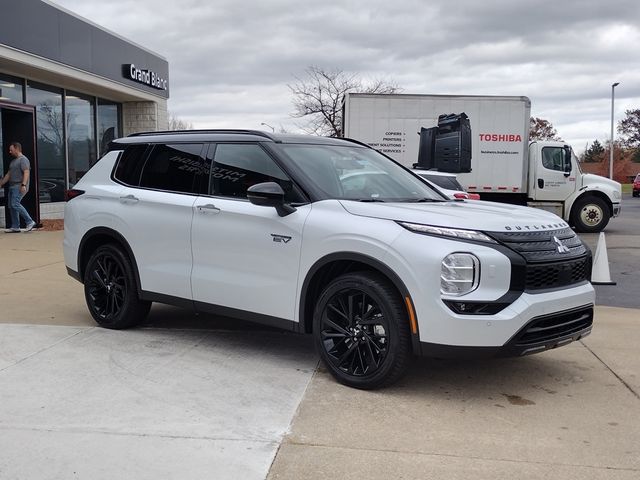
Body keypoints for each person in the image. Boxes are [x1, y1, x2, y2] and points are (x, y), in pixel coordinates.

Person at [0, 142, 36, 233]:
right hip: (12, 186)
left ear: (17, 149)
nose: (10, 151)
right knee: (11, 206)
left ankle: (30, 221)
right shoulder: (13, 162)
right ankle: (15, 226)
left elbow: (26, 172)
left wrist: (23, 185)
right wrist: (1, 183)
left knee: (15, 204)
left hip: (19, 185)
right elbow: (9, 174)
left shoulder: (23, 160)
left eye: (11, 150)